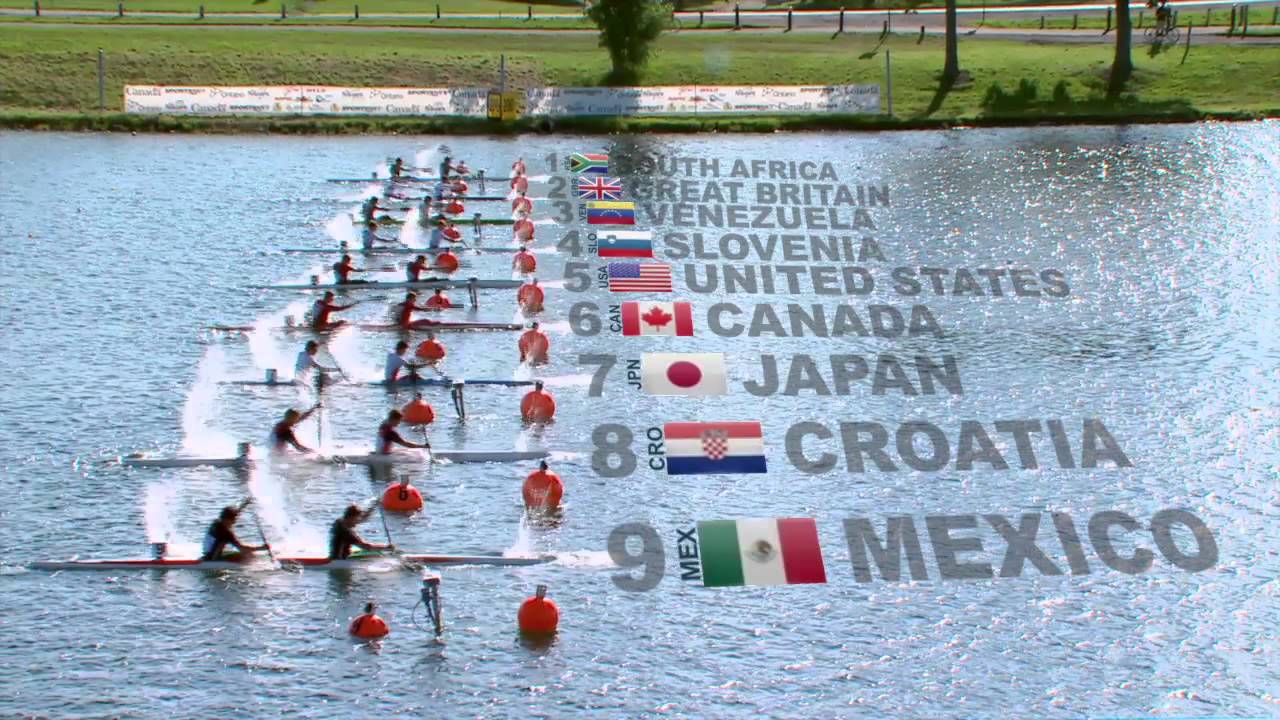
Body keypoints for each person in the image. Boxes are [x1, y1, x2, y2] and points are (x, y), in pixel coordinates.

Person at [201, 501, 269, 561]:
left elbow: (234, 514)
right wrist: (261, 548)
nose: (234, 522)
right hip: (214, 559)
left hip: (207, 554)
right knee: (248, 554)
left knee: (241, 551)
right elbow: (242, 549)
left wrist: (244, 504)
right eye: (233, 521)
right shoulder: (226, 533)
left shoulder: (216, 523)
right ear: (227, 520)